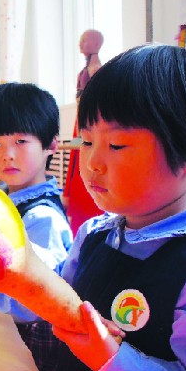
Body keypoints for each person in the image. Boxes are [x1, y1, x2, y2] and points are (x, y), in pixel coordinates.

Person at [16, 45, 186, 371]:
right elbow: (53, 304)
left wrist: (113, 361)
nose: (92, 163)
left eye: (117, 145)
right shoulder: (94, 234)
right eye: (88, 141)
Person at [0, 82, 73, 371]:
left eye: (21, 141)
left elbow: (32, 302)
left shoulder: (42, 219)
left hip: (32, 355)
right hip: (4, 335)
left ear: (51, 145)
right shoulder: (2, 198)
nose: (7, 155)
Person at [63, 29, 105, 234]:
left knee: (81, 159)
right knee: (75, 158)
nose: (80, 44)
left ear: (96, 44)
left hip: (87, 121)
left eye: (84, 41)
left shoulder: (96, 68)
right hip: (80, 120)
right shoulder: (87, 67)